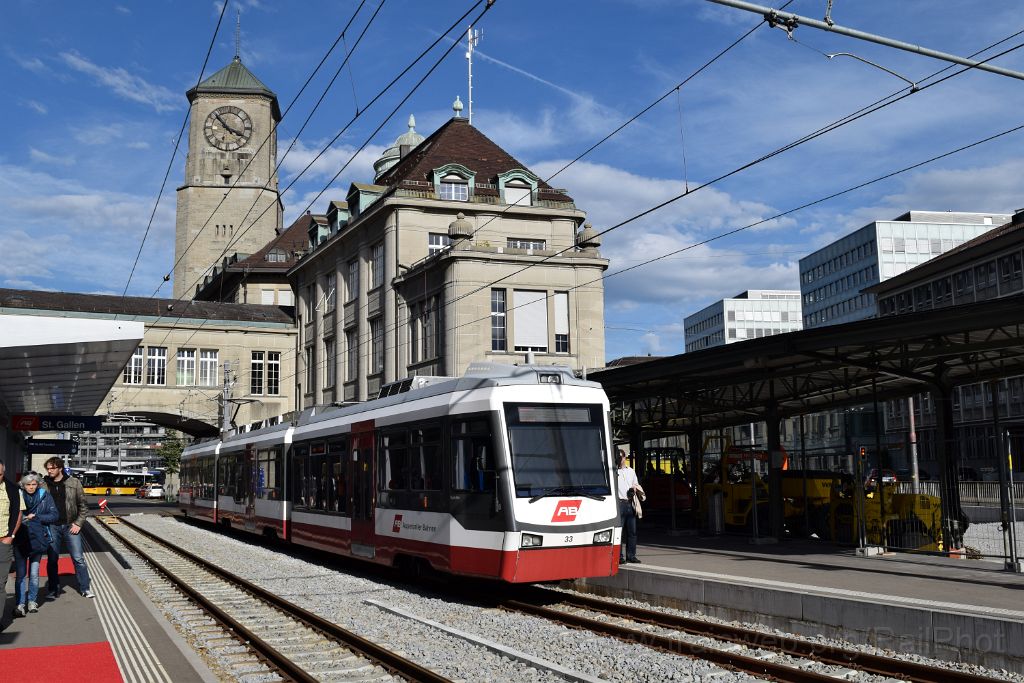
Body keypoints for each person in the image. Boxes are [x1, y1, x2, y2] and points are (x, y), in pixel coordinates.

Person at [42, 457, 94, 599]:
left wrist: (78, 523)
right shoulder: (43, 484)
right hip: (52, 526)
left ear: (60, 468)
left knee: (78, 558)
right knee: (52, 559)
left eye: (52, 468)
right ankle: (53, 590)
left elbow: (83, 505)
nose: (49, 471)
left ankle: (85, 588)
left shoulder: (74, 482)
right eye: (48, 468)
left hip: (71, 525)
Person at [13, 473, 59, 617]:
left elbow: (54, 515)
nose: (31, 487)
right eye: (28, 484)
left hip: (38, 537)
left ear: (38, 485)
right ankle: (20, 604)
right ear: (23, 485)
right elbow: (10, 515)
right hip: (20, 538)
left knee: (34, 573)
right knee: (21, 574)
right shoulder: (17, 495)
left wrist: (37, 517)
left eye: (34, 484)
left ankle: (32, 601)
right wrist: (23, 519)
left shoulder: (45, 495)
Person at [0, 462, 26, 629]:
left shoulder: (13, 489)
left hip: (4, 540)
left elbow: (18, 514)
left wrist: (11, 536)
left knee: (0, 583)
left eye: (0, 474)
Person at [616, 450, 645, 564]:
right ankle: (619, 557)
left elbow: (635, 484)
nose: (620, 460)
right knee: (619, 532)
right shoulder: (614, 472)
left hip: (630, 503)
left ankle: (631, 556)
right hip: (619, 503)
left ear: (625, 458)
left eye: (621, 457)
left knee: (632, 532)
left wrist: (634, 489)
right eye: (618, 458)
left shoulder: (631, 471)